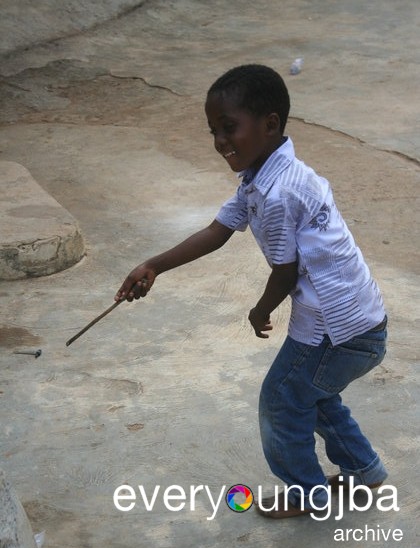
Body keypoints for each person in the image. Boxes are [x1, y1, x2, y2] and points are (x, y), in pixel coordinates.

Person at [115, 64, 388, 518]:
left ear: (270, 124)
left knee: (281, 399)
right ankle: (364, 472)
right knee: (311, 393)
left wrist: (260, 310)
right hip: (361, 322)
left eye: (229, 128)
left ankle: (307, 495)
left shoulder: (280, 193)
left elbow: (285, 271)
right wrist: (153, 266)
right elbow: (217, 230)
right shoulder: (262, 179)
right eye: (213, 131)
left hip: (336, 330)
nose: (220, 141)